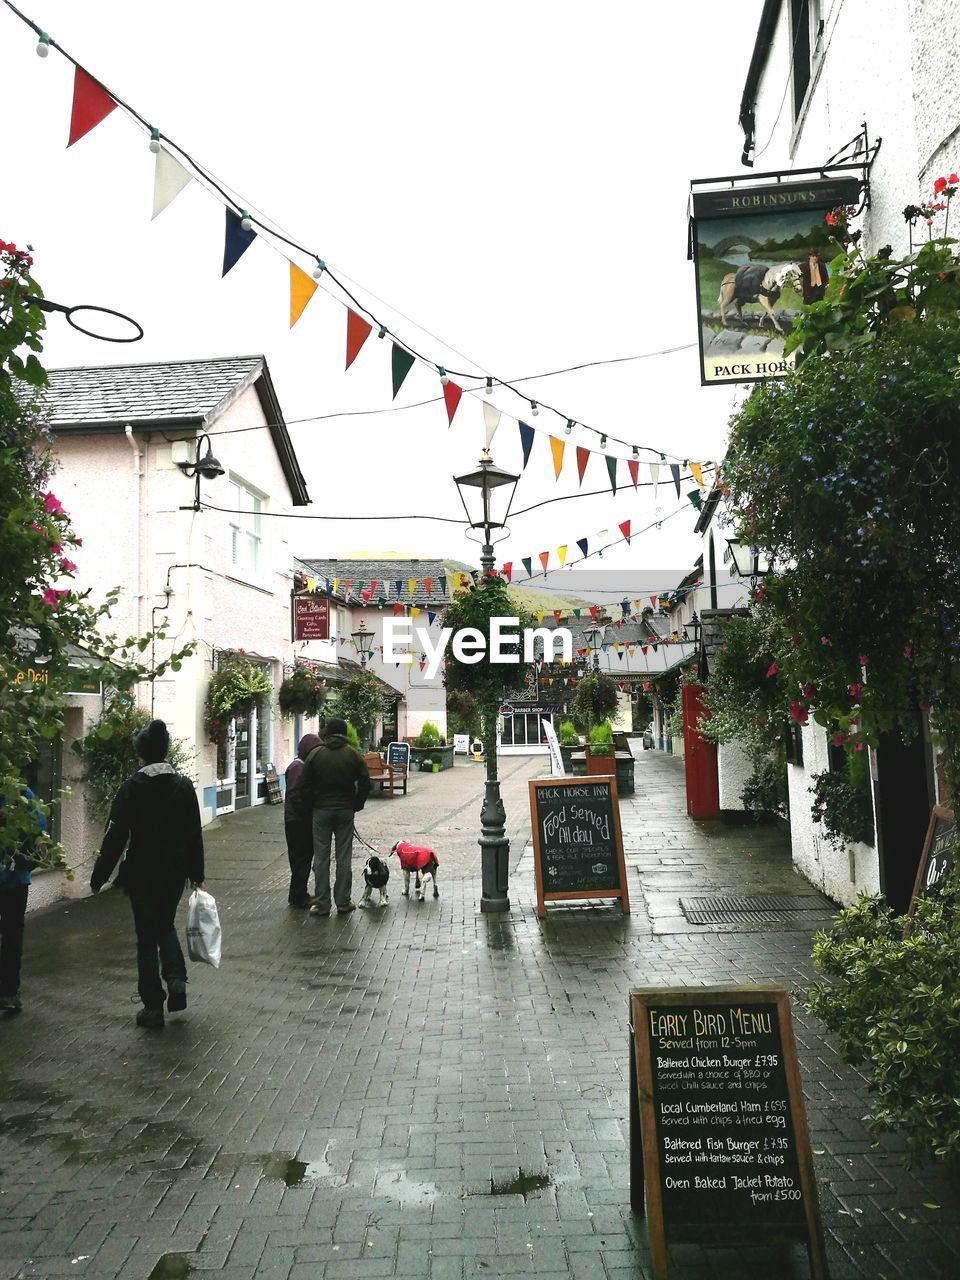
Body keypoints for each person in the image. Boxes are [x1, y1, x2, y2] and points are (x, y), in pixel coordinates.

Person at [90, 719, 204, 1030]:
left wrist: (98, 876)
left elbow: (115, 836)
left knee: (146, 937)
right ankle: (177, 979)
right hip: (173, 872)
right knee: (164, 924)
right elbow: (194, 833)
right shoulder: (183, 787)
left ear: (141, 754)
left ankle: (153, 1006)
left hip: (141, 871)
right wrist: (197, 872)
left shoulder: (131, 789)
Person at [293, 718, 370, 917]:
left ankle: (322, 904)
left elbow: (302, 785)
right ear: (344, 733)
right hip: (345, 810)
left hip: (321, 811)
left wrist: (313, 804)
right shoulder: (353, 756)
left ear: (327, 733)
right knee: (344, 857)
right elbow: (365, 782)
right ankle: (343, 901)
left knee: (321, 858)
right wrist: (356, 804)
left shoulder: (315, 755)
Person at [0, 776, 47, 1014]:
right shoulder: (21, 792)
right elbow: (40, 824)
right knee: (12, 935)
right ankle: (8, 993)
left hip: (14, 877)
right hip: (15, 879)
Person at [284, 732, 321, 908]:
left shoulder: (299, 766)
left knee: (300, 859)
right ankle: (299, 896)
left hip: (296, 819)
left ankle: (297, 894)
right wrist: (308, 810)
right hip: (297, 821)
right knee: (301, 858)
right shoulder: (298, 767)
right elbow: (294, 793)